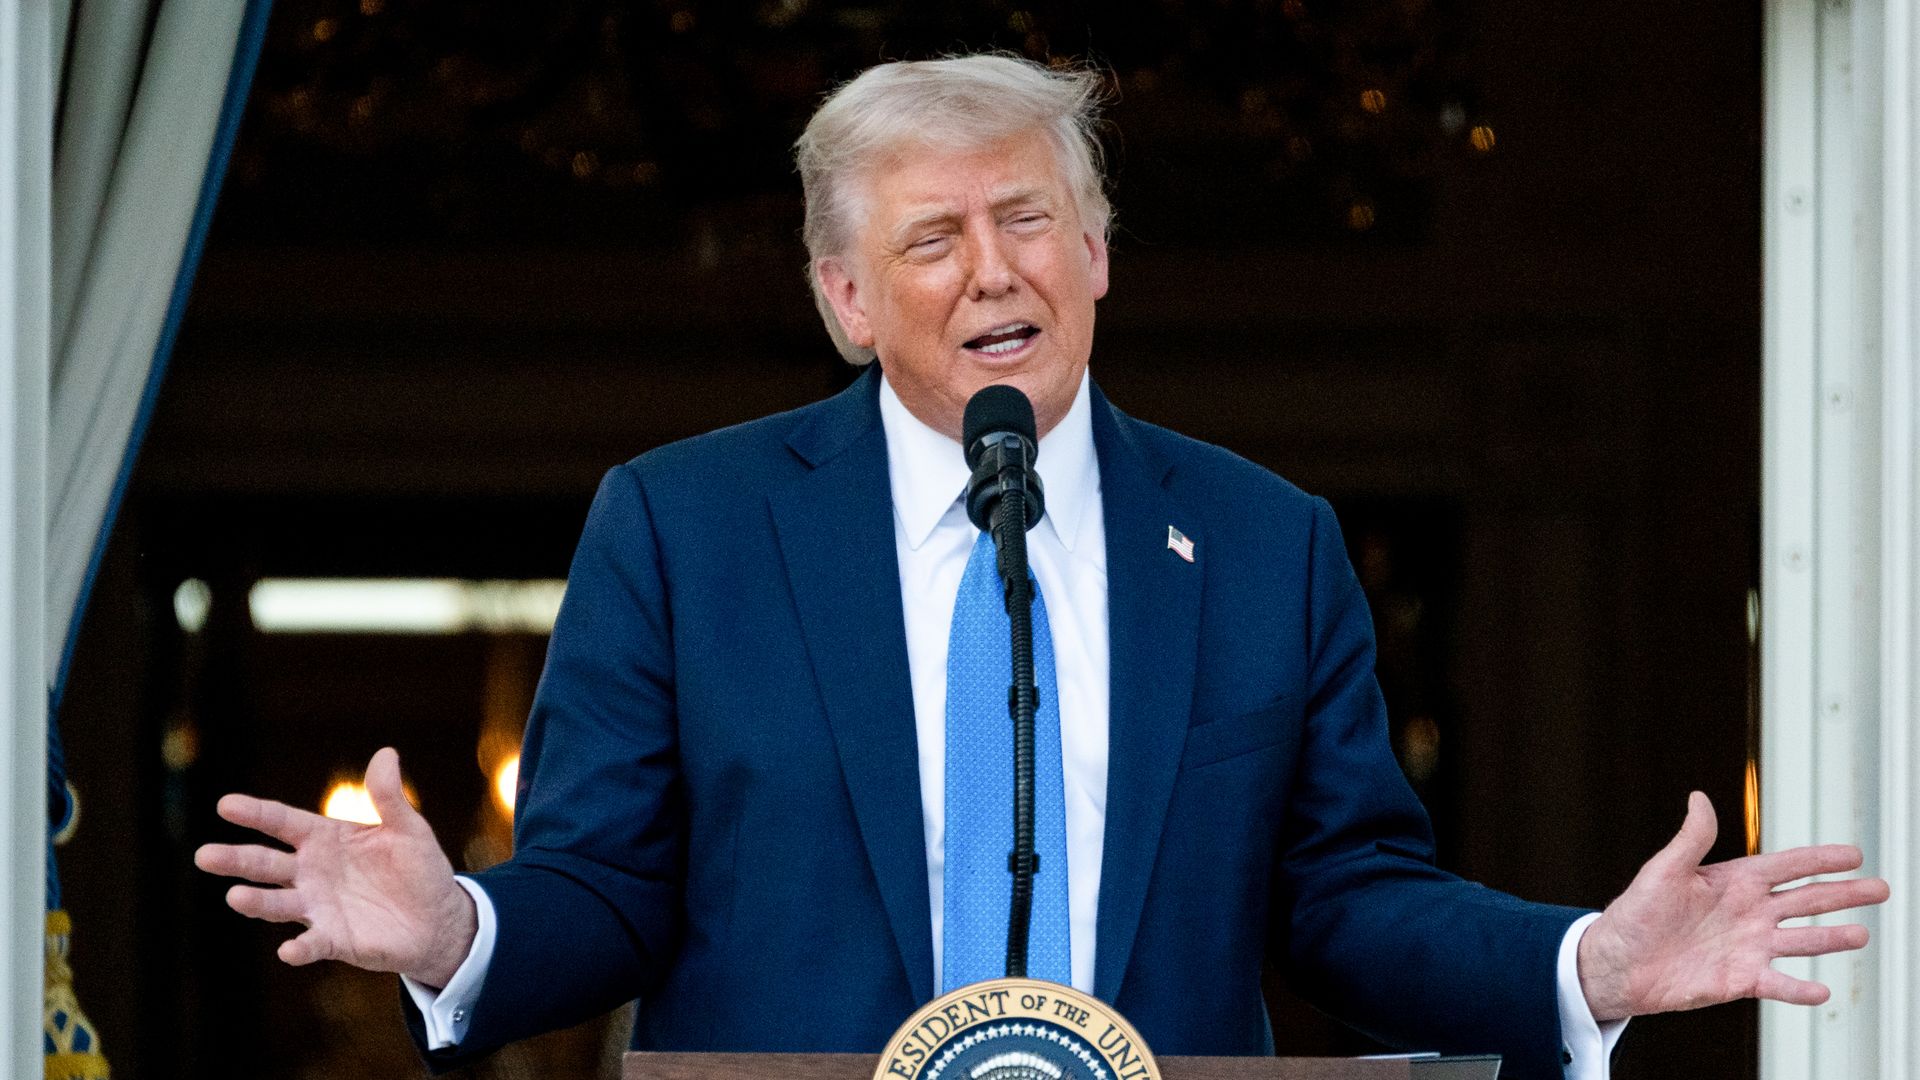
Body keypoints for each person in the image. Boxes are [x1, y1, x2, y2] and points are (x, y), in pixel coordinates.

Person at [195, 54, 1889, 1080]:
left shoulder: (1260, 541)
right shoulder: (686, 525)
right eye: (930, 238)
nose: (989, 270)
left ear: (1094, 254)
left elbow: (1347, 902)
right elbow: (611, 890)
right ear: (846, 300)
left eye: (1026, 221)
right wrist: (456, 933)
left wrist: (1578, 966)